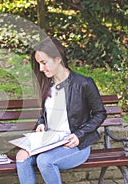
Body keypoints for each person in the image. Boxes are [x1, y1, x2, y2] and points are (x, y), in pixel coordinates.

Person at [16, 36, 107, 184]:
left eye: (44, 63)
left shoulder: (84, 83)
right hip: (49, 141)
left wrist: (79, 135)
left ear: (58, 59)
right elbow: (45, 114)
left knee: (45, 161)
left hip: (76, 144)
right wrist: (41, 123)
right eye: (39, 64)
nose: (41, 68)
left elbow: (100, 113)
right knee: (21, 156)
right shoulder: (46, 84)